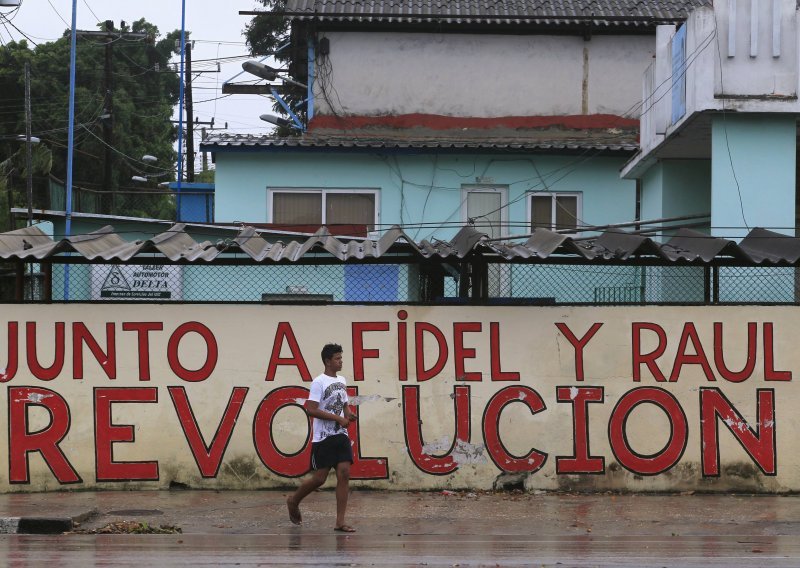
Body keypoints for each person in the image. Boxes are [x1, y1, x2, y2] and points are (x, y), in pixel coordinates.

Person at [286, 343, 358, 532]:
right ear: (327, 361)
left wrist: (348, 414)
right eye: (337, 358)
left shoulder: (342, 380)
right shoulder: (319, 382)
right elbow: (310, 409)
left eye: (341, 358)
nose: (341, 361)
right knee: (320, 479)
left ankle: (340, 522)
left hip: (340, 435)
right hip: (323, 437)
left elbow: (343, 403)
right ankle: (293, 500)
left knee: (344, 473)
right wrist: (337, 418)